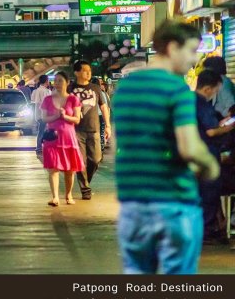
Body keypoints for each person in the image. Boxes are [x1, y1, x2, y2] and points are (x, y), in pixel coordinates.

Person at [113, 20, 220, 274]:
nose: (194, 61)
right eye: (192, 51)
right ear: (173, 47)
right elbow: (189, 147)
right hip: (173, 203)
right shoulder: (177, 90)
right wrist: (210, 167)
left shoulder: (125, 88)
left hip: (133, 204)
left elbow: (118, 145)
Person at [194, 70, 234, 244]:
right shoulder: (203, 104)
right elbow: (210, 131)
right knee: (209, 193)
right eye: (216, 90)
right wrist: (228, 128)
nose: (216, 93)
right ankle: (206, 231)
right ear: (208, 88)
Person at [40, 72, 84, 206]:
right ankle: (55, 197)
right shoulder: (47, 99)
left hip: (68, 138)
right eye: (56, 81)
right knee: (53, 169)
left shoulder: (73, 99)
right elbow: (44, 118)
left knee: (69, 170)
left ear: (67, 82)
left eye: (60, 81)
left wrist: (64, 117)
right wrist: (56, 116)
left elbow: (77, 119)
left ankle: (68, 195)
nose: (57, 83)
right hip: (52, 138)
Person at [69, 60, 111, 200]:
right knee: (80, 161)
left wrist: (108, 125)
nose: (88, 73)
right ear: (77, 72)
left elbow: (104, 107)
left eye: (89, 70)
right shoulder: (70, 88)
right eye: (85, 70)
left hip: (94, 129)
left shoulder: (95, 88)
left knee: (96, 159)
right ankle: (85, 190)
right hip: (76, 130)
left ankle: (86, 181)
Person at [31, 75, 52, 154]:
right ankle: (40, 147)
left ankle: (40, 147)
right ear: (46, 81)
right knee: (43, 131)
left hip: (38, 114)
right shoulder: (45, 91)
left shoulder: (36, 90)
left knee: (41, 131)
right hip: (45, 115)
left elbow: (33, 100)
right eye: (48, 80)